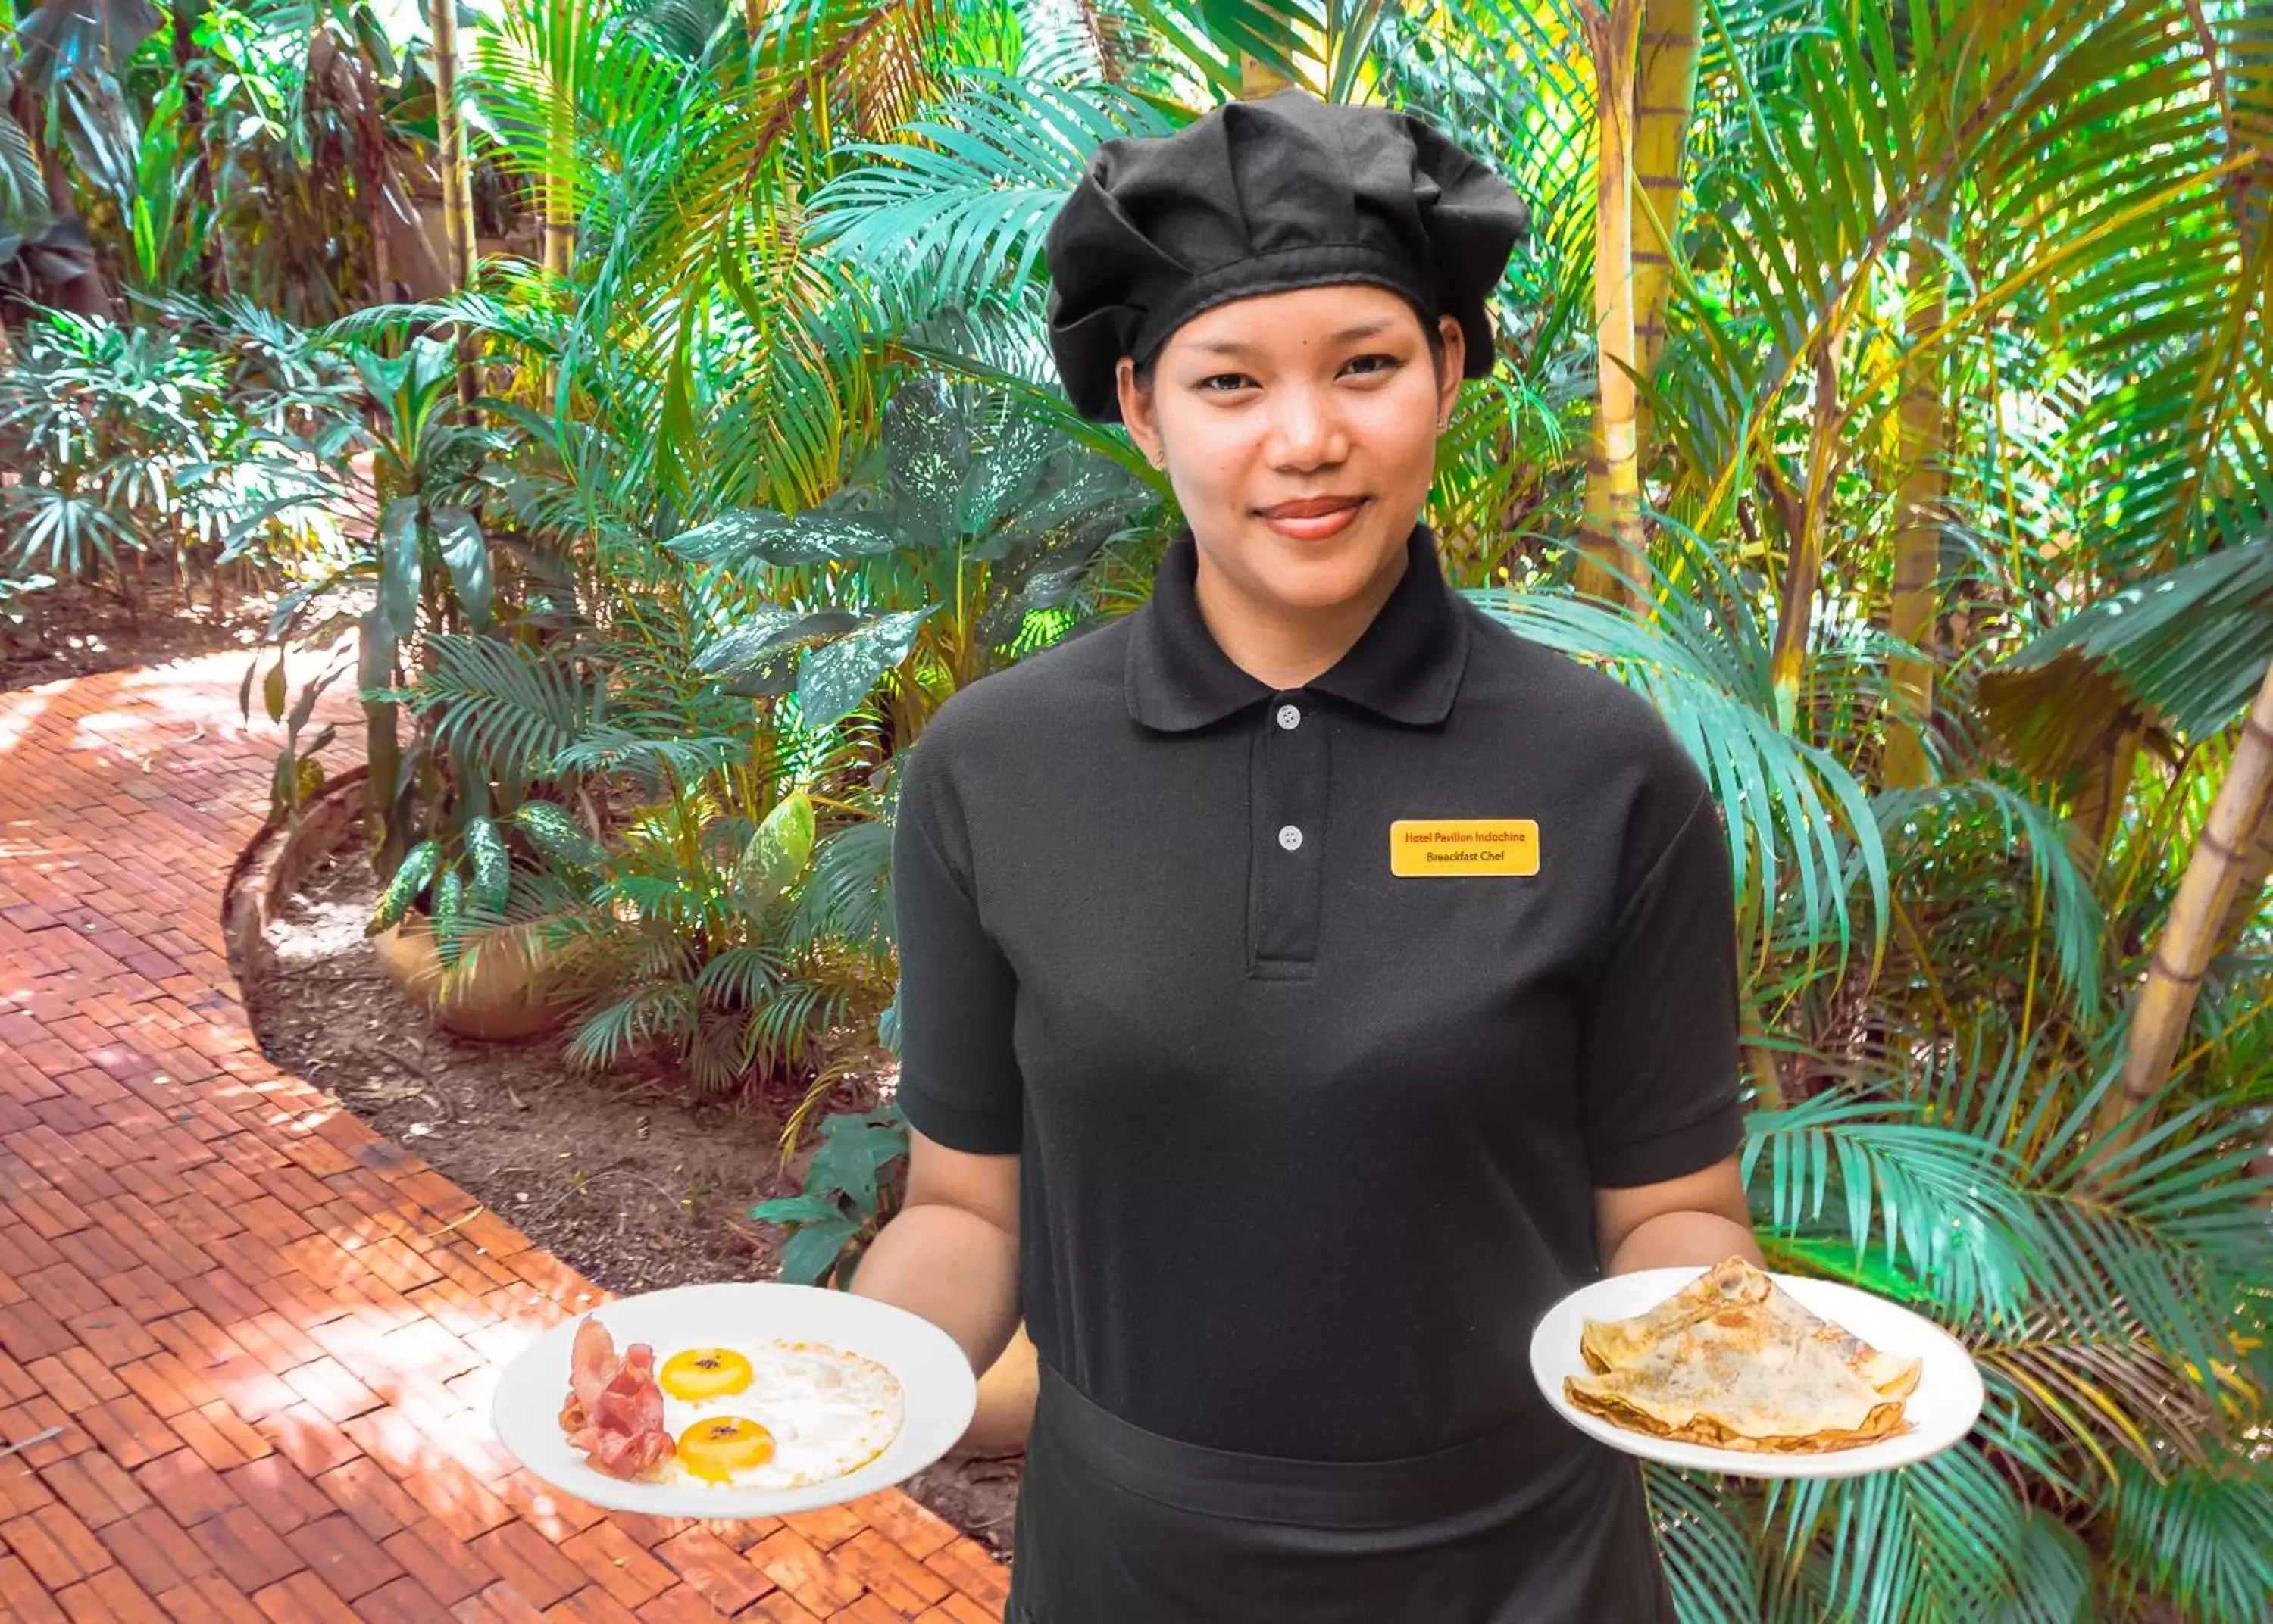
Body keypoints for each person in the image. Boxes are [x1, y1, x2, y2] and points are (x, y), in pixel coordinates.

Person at [851, 86, 1765, 1623]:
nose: (1308, 440)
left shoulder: (1611, 776)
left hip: (1526, 1570)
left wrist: (1759, 1356)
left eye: (1366, 364)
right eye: (1229, 381)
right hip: (1127, 1574)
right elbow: (964, 1212)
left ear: (1449, 371)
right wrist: (833, 1386)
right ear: (1141, 409)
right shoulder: (993, 771)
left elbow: (1670, 1210)